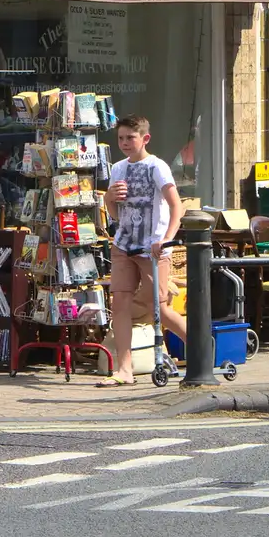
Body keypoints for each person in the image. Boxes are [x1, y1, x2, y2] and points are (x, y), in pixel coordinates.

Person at [98, 114, 187, 387]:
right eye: (121, 138)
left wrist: (167, 239)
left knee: (157, 306)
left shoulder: (157, 166)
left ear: (145, 139)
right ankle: (125, 370)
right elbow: (115, 214)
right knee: (120, 305)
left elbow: (176, 206)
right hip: (123, 244)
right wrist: (109, 199)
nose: (124, 143)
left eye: (130, 138)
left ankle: (201, 350)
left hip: (153, 248)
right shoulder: (118, 169)